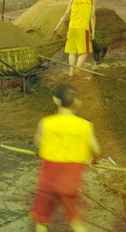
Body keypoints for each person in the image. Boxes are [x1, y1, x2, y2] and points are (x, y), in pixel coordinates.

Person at [31, 84, 101, 232]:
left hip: (48, 180)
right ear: (77, 103)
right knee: (75, 220)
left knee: (42, 221)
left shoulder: (46, 122)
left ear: (56, 100)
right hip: (70, 181)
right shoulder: (85, 126)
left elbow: (38, 142)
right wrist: (92, 159)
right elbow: (96, 149)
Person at [53, 0, 96, 77]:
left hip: (72, 28)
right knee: (84, 52)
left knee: (72, 52)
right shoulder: (92, 0)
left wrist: (57, 27)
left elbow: (65, 14)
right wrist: (93, 32)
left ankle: (71, 72)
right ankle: (76, 72)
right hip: (83, 28)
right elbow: (92, 16)